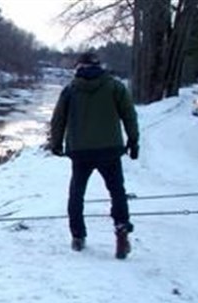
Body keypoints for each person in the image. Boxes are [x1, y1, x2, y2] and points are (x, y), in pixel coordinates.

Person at [49, 51, 139, 259]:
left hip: (80, 151)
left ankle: (78, 236)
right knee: (117, 191)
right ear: (100, 66)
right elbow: (129, 114)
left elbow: (58, 119)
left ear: (79, 67)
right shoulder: (115, 86)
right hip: (110, 149)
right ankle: (121, 229)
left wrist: (56, 144)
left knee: (76, 194)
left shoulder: (71, 90)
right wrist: (133, 140)